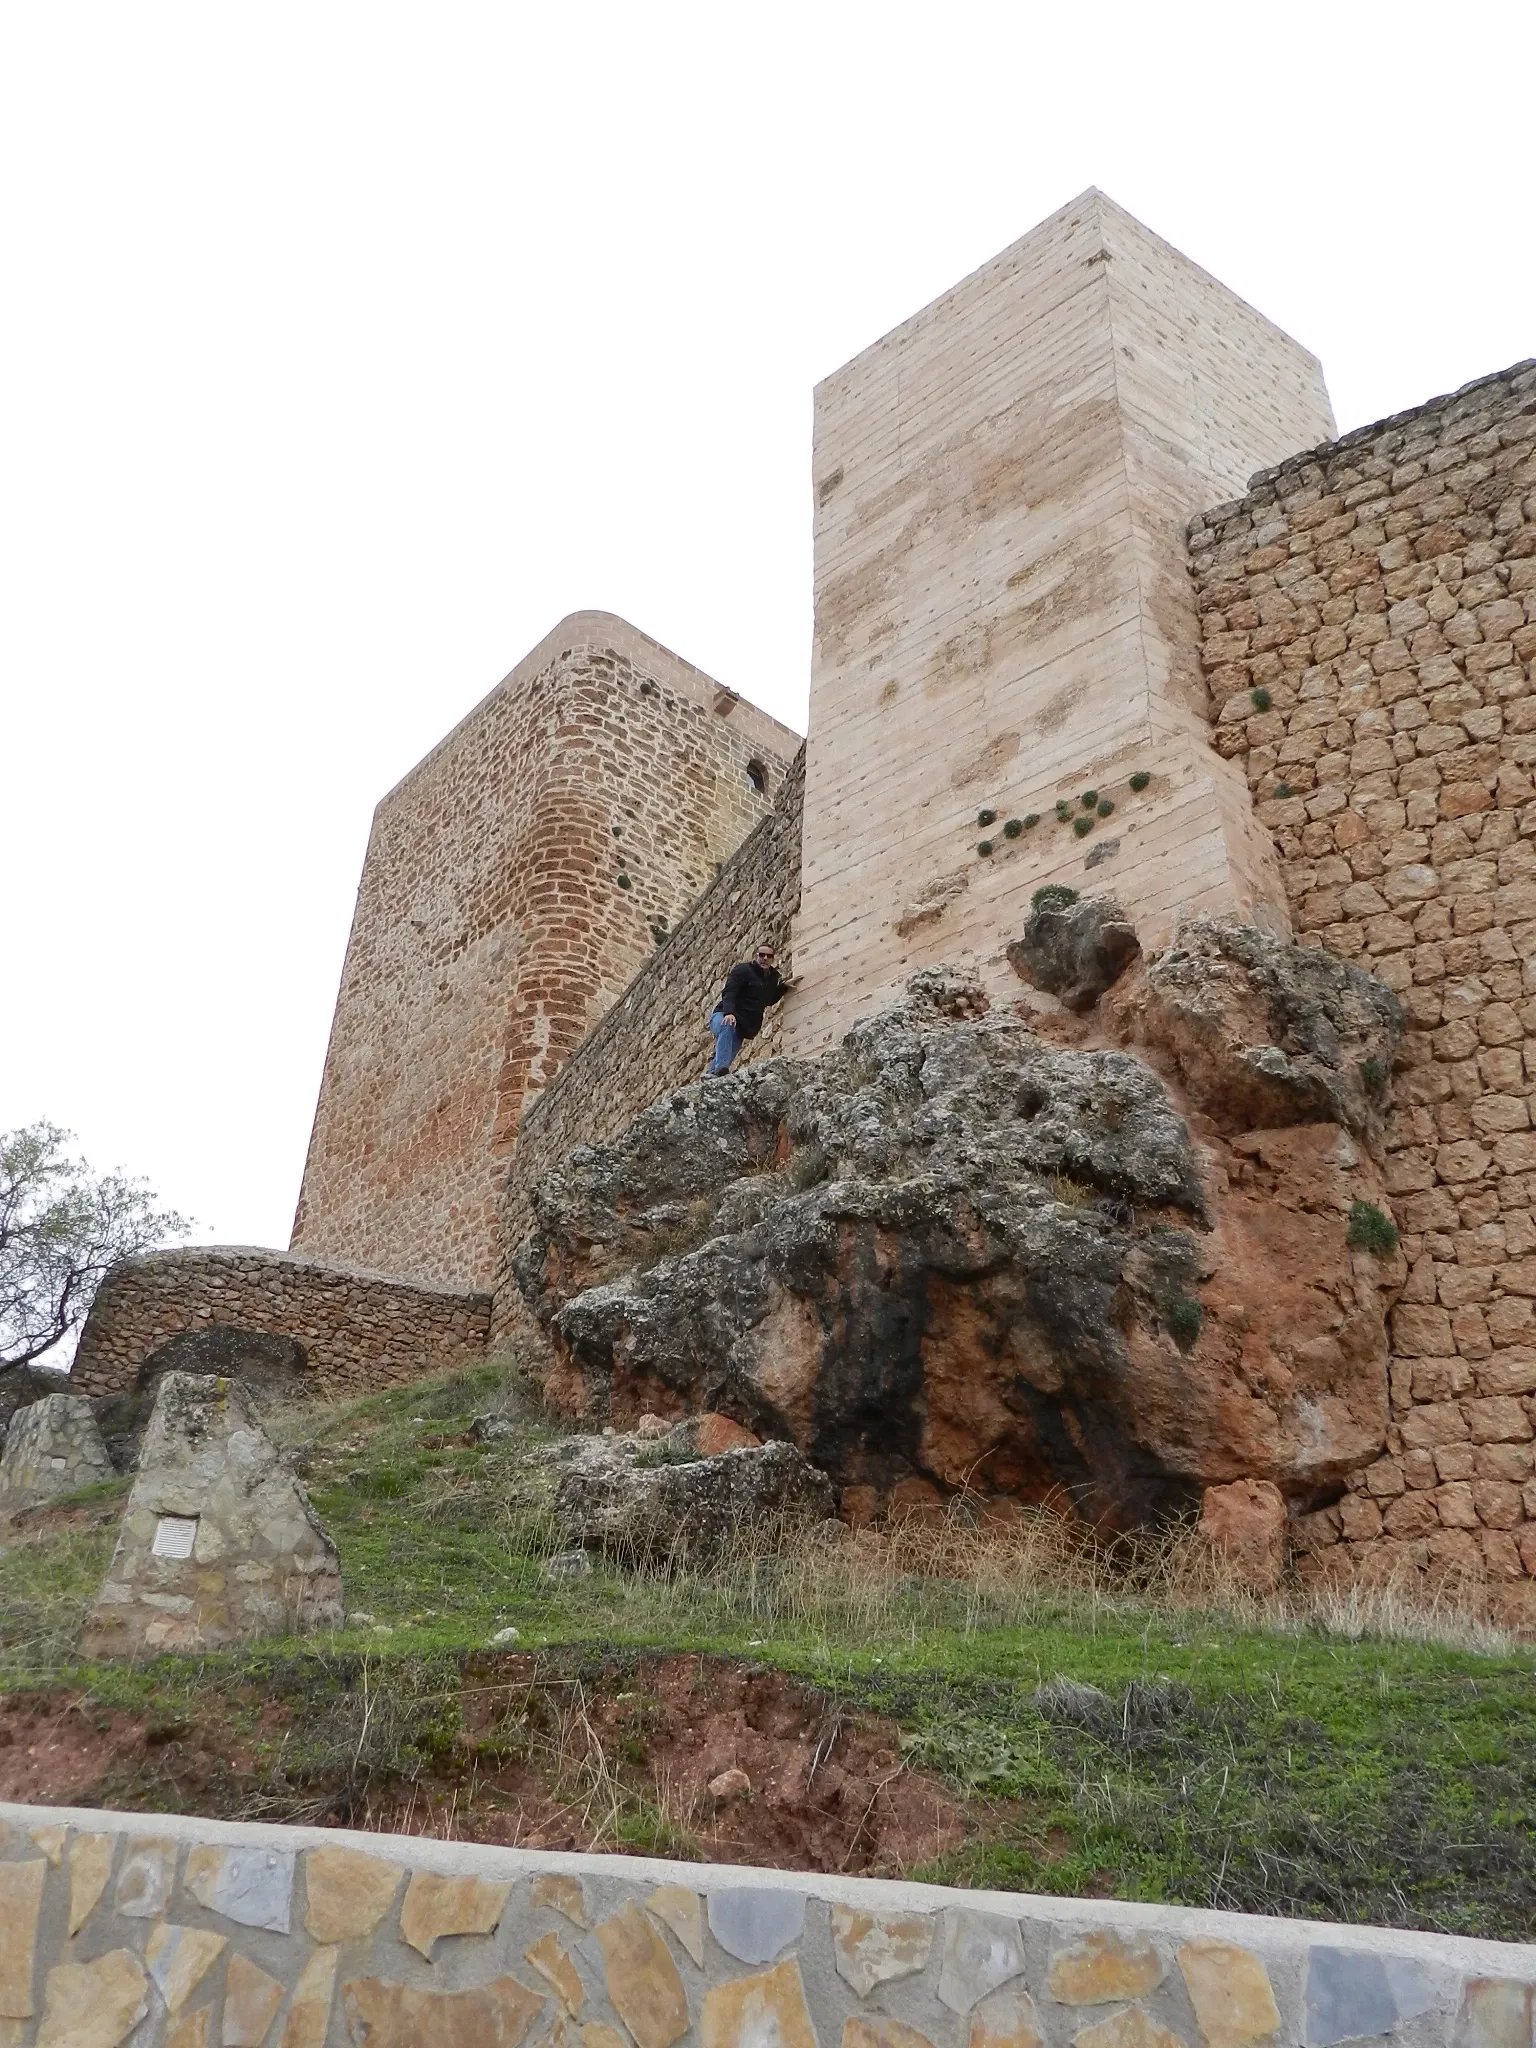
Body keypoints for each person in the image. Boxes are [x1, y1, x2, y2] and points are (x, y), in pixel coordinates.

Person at [705, 942, 785, 1076]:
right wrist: (729, 1013)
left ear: (773, 959)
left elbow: (768, 1000)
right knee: (727, 1025)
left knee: (727, 1055)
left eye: (769, 956)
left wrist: (783, 988)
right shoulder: (743, 970)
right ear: (756, 956)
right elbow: (729, 992)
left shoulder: (773, 978)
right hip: (723, 1015)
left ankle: (711, 1077)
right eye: (762, 955)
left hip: (741, 1026)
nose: (765, 958)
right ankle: (720, 1069)